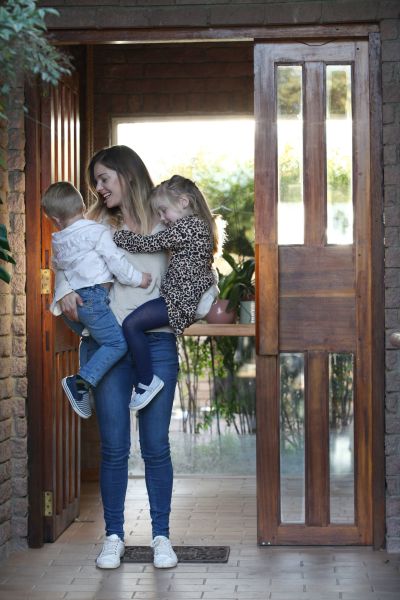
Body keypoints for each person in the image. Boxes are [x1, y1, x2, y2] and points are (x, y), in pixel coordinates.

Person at [56, 145, 179, 570]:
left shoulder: (166, 219)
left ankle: (161, 536)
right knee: (113, 448)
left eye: (105, 178)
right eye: (96, 181)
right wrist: (65, 293)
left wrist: (191, 306)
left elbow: (200, 269)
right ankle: (113, 536)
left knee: (156, 445)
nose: (99, 187)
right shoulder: (91, 225)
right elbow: (64, 268)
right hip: (108, 347)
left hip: (157, 343)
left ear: (127, 175)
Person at [42, 181, 152, 419]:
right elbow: (116, 263)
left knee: (89, 338)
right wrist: (138, 279)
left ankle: (87, 392)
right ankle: (80, 383)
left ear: (55, 219)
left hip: (72, 308)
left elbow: (58, 268)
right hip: (93, 300)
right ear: (82, 205)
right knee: (117, 344)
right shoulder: (96, 231)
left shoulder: (58, 240)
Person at [113, 175, 219, 411]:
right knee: (134, 325)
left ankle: (146, 381)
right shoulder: (200, 226)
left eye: (163, 211)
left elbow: (149, 244)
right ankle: (145, 381)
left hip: (177, 301)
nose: (162, 218)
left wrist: (117, 237)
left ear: (183, 202)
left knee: (131, 325)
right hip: (178, 299)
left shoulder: (189, 226)